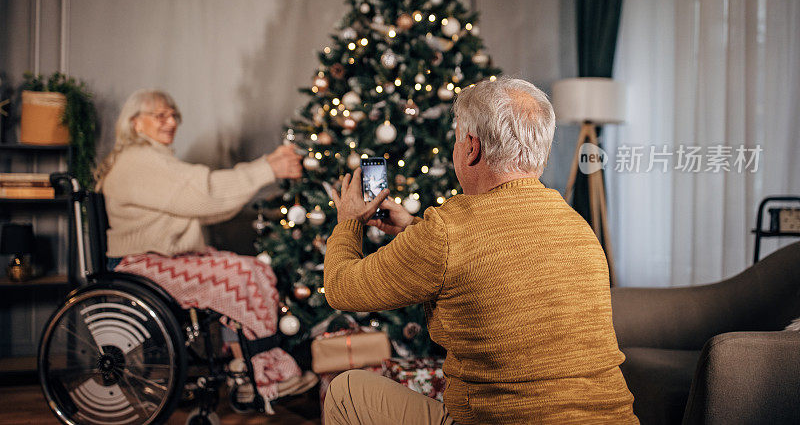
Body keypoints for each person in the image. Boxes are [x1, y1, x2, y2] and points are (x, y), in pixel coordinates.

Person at [323, 77, 637, 424]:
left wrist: (349, 221)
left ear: (472, 148)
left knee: (347, 390)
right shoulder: (576, 226)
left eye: (457, 140)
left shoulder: (449, 230)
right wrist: (414, 228)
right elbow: (494, 254)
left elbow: (341, 287)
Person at [95, 88, 317, 407]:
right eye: (160, 115)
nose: (171, 121)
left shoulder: (152, 159)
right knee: (240, 273)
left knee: (255, 269)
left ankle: (246, 367)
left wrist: (264, 167)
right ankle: (261, 375)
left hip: (162, 258)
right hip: (140, 264)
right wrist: (267, 168)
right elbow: (206, 193)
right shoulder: (138, 162)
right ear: (135, 124)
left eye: (174, 115)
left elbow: (210, 204)